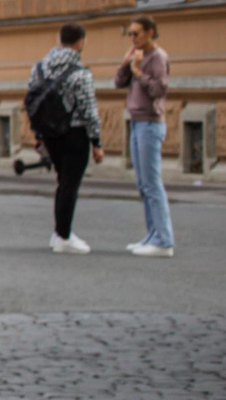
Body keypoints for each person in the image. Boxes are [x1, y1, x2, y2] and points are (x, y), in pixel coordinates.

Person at [28, 24, 104, 254]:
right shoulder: (80, 73)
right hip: (74, 133)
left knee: (63, 182)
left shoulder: (39, 68)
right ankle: (63, 236)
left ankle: (59, 232)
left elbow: (32, 101)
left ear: (59, 40)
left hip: (50, 134)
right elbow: (89, 110)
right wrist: (96, 142)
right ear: (80, 42)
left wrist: (39, 134)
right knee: (69, 185)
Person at [116, 16, 174, 257]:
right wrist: (126, 64)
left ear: (150, 32)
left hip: (150, 123)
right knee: (143, 184)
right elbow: (118, 83)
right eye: (130, 33)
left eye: (136, 33)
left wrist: (138, 71)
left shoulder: (158, 57)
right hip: (136, 121)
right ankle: (152, 235)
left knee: (152, 183)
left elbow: (159, 89)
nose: (132, 38)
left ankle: (163, 240)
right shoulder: (136, 55)